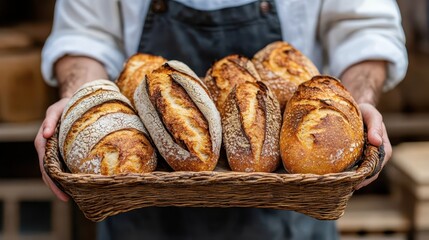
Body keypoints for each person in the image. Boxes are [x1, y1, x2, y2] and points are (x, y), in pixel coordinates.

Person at [35, 0, 408, 239]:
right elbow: (84, 35)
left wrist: (358, 102)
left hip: (292, 211)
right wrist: (78, 101)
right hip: (140, 212)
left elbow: (366, 30)